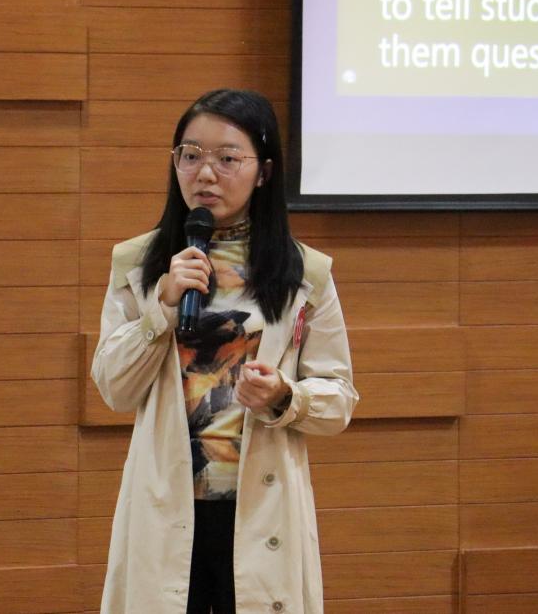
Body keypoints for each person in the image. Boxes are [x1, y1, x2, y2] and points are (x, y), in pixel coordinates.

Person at [91, 88, 358, 614]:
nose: (205, 173)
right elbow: (115, 389)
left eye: (227, 158)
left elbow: (340, 398)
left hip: (260, 511)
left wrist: (285, 397)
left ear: (264, 172)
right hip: (168, 508)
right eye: (190, 155)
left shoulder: (305, 274)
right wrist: (162, 309)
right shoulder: (138, 266)